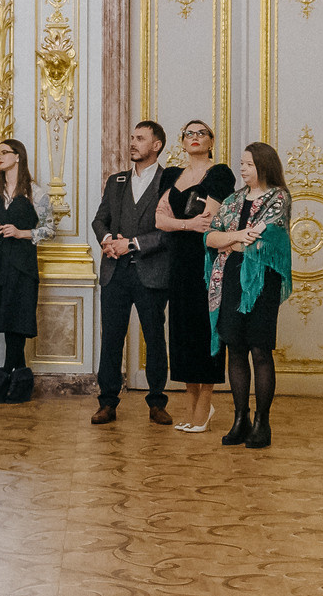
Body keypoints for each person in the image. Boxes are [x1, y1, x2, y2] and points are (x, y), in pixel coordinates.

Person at [204, 142, 292, 447]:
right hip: (230, 279)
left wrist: (232, 240)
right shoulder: (233, 199)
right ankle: (240, 418)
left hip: (261, 282)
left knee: (259, 350)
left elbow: (261, 239)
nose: (242, 169)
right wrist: (235, 238)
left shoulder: (279, 197)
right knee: (236, 348)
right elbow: (210, 236)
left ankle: (261, 423)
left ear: (264, 166)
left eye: (249, 164)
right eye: (241, 164)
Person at [90, 120, 177, 426]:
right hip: (115, 272)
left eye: (140, 138)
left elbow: (170, 233)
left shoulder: (170, 182)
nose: (133, 143)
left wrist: (134, 244)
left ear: (156, 145)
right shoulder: (115, 181)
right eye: (132, 138)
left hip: (152, 273)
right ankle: (107, 402)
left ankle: (156, 402)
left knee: (154, 339)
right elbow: (100, 220)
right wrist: (108, 241)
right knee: (111, 339)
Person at [155, 120, 237, 432]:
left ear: (211, 140)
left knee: (205, 329)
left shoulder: (220, 173)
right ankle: (191, 405)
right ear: (182, 139)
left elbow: (210, 219)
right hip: (177, 262)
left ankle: (205, 401)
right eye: (188, 133)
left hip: (206, 261)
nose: (194, 137)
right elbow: (159, 219)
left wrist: (179, 222)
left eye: (201, 133)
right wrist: (185, 225)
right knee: (182, 332)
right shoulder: (172, 174)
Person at [0, 139, 44, 403]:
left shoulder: (35, 192)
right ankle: (21, 378)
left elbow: (49, 230)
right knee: (7, 321)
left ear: (18, 156)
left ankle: (6, 374)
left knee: (18, 321)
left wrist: (22, 233)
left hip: (23, 265)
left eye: (4, 153)